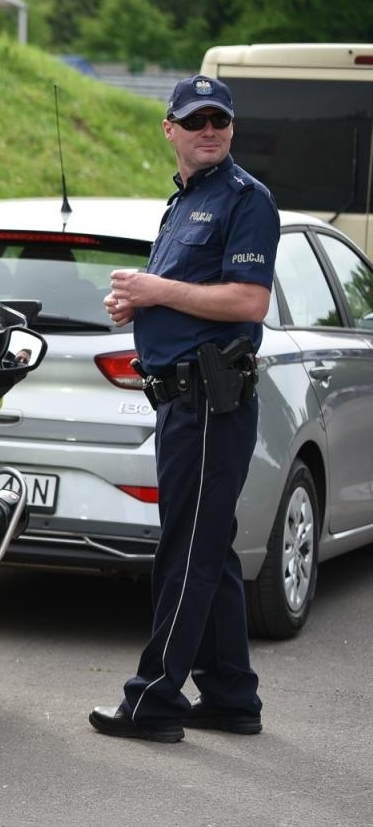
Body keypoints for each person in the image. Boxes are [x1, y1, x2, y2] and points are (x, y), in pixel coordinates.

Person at [89, 75, 279, 743]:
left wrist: (156, 289)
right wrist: (137, 302)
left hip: (210, 401)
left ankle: (155, 699)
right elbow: (182, 292)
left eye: (219, 120)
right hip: (180, 400)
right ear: (169, 128)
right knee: (209, 548)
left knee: (186, 553)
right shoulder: (184, 205)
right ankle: (230, 695)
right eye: (195, 120)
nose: (210, 131)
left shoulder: (245, 201)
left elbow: (248, 303)